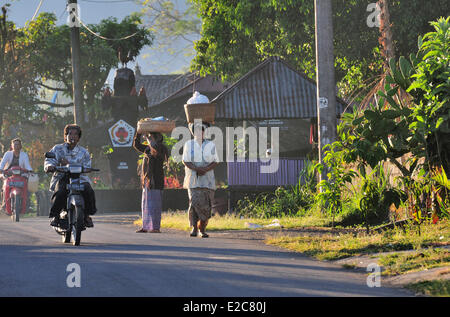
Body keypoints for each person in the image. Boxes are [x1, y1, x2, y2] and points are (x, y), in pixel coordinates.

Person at [44, 124, 96, 228]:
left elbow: (87, 165)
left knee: (88, 190)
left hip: (80, 178)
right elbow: (49, 160)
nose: (73, 136)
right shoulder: (57, 149)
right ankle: (56, 216)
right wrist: (50, 166)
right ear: (65, 136)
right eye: (70, 134)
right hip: (62, 177)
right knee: (60, 191)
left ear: (79, 137)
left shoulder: (84, 152)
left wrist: (86, 168)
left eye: (76, 134)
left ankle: (86, 215)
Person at [182, 121, 219, 238]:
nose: (199, 133)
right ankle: (194, 228)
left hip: (207, 180)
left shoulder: (210, 145)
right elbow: (185, 160)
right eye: (196, 131)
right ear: (193, 133)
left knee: (207, 205)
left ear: (204, 132)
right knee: (194, 203)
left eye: (201, 130)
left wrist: (206, 169)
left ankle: (202, 229)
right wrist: (196, 169)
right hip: (193, 179)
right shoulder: (189, 144)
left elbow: (215, 160)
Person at [133, 131, 169, 233]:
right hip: (147, 180)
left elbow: (155, 152)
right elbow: (136, 145)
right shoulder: (148, 148)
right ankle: (146, 226)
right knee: (146, 204)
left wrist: (149, 140)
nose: (148, 139)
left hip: (156, 180)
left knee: (155, 204)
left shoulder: (161, 148)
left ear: (156, 139)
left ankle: (155, 227)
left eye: (150, 137)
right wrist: (139, 133)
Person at [0, 138, 33, 211]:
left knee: (26, 187)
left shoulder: (24, 155)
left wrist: (30, 170)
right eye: (15, 144)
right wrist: (1, 169)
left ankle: (27, 204)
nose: (16, 146)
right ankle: (4, 204)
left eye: (18, 144)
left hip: (21, 174)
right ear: (12, 146)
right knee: (4, 187)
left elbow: (27, 165)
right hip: (8, 174)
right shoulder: (7, 154)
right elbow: (2, 164)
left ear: (21, 146)